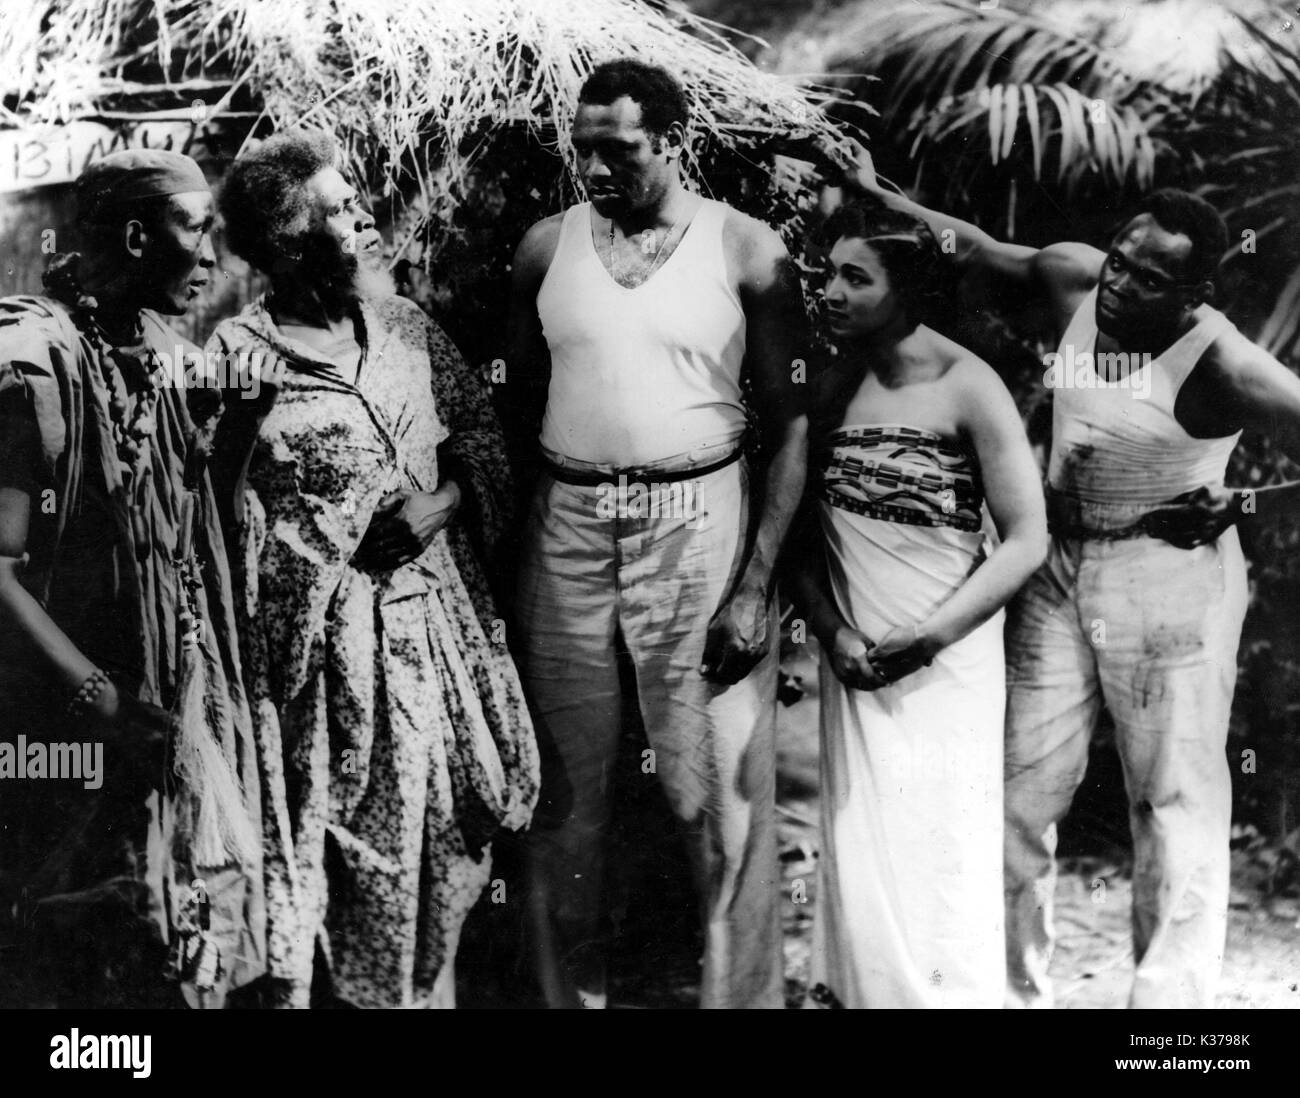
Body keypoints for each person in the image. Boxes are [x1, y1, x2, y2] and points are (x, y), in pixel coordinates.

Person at [843, 146, 1300, 1008]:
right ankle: (1011, 995)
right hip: (1057, 564)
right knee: (1016, 795)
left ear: (1196, 295)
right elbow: (970, 249)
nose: (1120, 286)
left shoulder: (1228, 367)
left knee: (1172, 804)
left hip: (1171, 581)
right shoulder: (1077, 286)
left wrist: (1246, 507)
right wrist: (870, 191)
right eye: (1118, 262)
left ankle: (1167, 1027)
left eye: (1147, 279)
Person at [209, 131, 539, 1008]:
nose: (364, 218)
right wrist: (322, 566)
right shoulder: (240, 359)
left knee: (443, 848)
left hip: (437, 642)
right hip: (325, 673)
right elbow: (221, 527)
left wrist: (446, 501)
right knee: (345, 862)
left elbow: (478, 435)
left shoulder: (404, 328)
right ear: (288, 244)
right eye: (341, 209)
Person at [505, 59, 809, 1009]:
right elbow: (510, 407)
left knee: (714, 797)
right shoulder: (545, 248)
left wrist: (759, 583)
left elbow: (794, 422)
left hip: (699, 518)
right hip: (568, 523)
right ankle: (571, 1001)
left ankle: (739, 1002)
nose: (594, 168)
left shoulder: (748, 251)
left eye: (618, 149)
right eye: (582, 148)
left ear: (672, 140)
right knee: (563, 802)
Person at [0, 149, 265, 1008]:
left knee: (159, 945)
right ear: (137, 237)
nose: (217, 260)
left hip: (153, 709)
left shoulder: (151, 348)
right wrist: (98, 701)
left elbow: (173, 539)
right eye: (198, 230)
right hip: (65, 722)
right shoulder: (34, 366)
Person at [788, 201, 1046, 1008]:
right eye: (827, 274)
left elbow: (1026, 539)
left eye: (854, 278)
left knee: (942, 849)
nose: (830, 292)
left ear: (909, 289)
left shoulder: (971, 387)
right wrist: (832, 635)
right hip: (857, 659)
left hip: (947, 661)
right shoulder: (830, 389)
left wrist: (930, 638)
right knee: (863, 846)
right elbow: (792, 537)